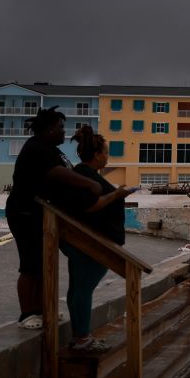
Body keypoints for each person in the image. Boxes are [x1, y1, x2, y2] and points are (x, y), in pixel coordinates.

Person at [5, 107, 103, 329]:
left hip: (43, 215)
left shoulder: (51, 149)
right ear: (49, 129)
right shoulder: (36, 148)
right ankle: (27, 313)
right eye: (60, 128)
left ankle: (43, 308)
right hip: (25, 213)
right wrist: (89, 183)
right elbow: (57, 173)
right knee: (30, 264)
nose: (63, 132)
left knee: (42, 263)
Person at [64, 126, 137, 352]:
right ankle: (82, 338)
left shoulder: (85, 174)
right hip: (91, 243)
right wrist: (117, 194)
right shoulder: (84, 176)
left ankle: (79, 336)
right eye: (106, 152)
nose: (107, 156)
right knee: (83, 288)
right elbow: (89, 206)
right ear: (97, 155)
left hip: (88, 240)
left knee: (78, 288)